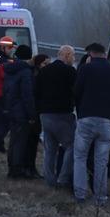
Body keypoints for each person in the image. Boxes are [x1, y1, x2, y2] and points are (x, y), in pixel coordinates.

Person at [73, 44, 110, 205]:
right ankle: (100, 197)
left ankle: (80, 194)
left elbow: (76, 92)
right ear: (105, 54)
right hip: (106, 121)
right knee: (101, 160)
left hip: (86, 119)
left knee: (80, 157)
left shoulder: (85, 69)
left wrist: (81, 111)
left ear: (90, 54)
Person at [34, 45, 77, 188]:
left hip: (45, 115)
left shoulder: (44, 71)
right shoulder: (70, 71)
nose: (74, 59)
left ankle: (49, 180)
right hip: (63, 115)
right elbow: (76, 91)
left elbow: (36, 92)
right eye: (73, 56)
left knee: (50, 149)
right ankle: (63, 178)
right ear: (66, 55)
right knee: (71, 146)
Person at [4, 44, 37, 178]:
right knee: (20, 142)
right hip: (22, 111)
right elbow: (27, 95)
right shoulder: (26, 72)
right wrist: (32, 114)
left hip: (11, 108)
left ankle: (12, 167)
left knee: (13, 140)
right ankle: (17, 170)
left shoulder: (10, 70)